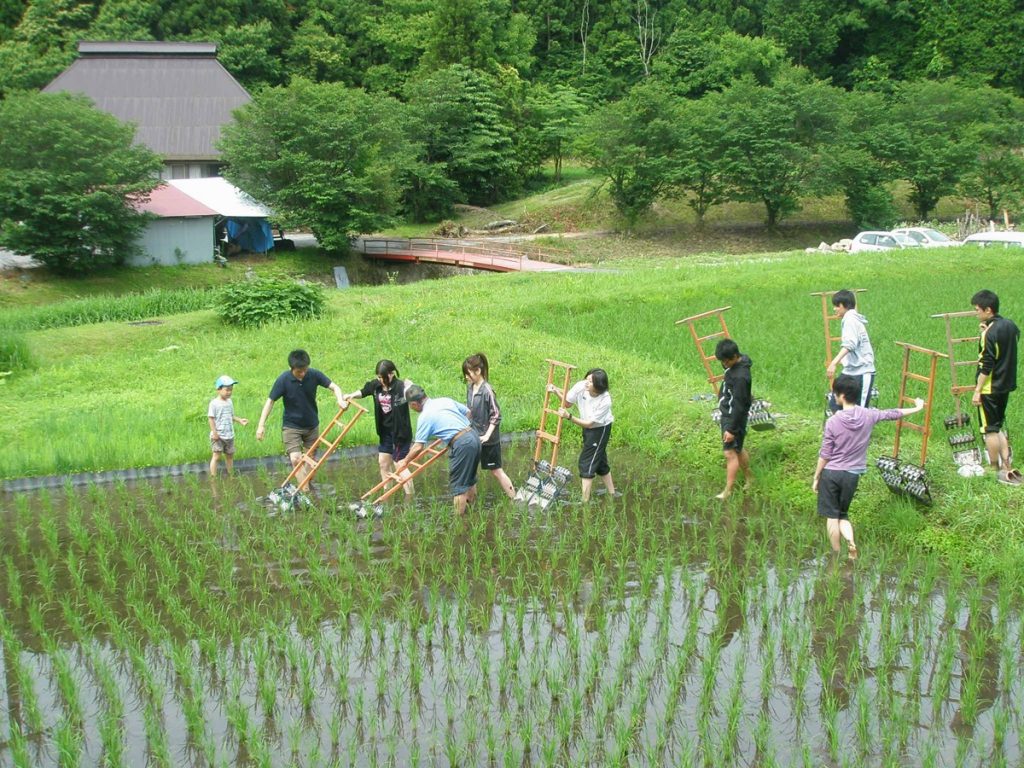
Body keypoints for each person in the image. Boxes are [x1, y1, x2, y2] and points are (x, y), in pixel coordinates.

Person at [813, 374, 925, 560]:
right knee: (843, 515)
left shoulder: (833, 421)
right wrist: (918, 407)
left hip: (832, 473)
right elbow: (893, 413)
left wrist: (817, 476)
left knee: (832, 518)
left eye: (835, 393)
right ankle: (850, 541)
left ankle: (835, 554)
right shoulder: (869, 415)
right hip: (852, 474)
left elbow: (825, 454)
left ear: (841, 396)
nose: (834, 396)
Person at [255, 350, 349, 485]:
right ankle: (305, 493)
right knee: (296, 459)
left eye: (305, 370)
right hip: (291, 427)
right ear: (291, 368)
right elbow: (270, 401)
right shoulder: (283, 380)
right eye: (299, 371)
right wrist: (261, 425)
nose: (303, 374)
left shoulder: (314, 374)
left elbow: (334, 387)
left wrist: (340, 399)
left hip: (312, 425)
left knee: (311, 460)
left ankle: (305, 485)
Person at [398, 384, 481, 515]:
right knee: (469, 479)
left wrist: (405, 461)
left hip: (462, 443)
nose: (410, 408)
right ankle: (471, 514)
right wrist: (458, 428)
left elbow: (418, 446)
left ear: (414, 404)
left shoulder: (425, 416)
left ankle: (459, 524)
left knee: (459, 487)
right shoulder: (444, 400)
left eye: (410, 405)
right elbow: (468, 412)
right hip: (473, 435)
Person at [971, 289, 1021, 485]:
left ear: (988, 310)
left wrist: (977, 390)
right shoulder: (1010, 326)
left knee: (990, 429)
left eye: (977, 310)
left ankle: (993, 467)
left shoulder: (988, 333)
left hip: (990, 388)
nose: (976, 313)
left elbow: (987, 364)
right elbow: (1012, 340)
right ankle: (1007, 465)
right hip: (1006, 385)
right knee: (998, 424)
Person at [345, 360, 415, 498]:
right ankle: (386, 492)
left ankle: (410, 497)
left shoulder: (400, 387)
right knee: (383, 462)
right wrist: (351, 395)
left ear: (391, 374)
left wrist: (412, 386)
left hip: (401, 432)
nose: (381, 380)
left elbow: (416, 395)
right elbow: (364, 391)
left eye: (383, 377)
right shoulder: (376, 386)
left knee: (400, 464)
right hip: (385, 431)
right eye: (379, 377)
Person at [463, 353, 516, 500]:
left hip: (488, 440)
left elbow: (496, 415)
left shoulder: (487, 391)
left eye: (468, 373)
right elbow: (470, 410)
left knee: (496, 470)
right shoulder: (470, 388)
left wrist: (487, 435)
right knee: (470, 471)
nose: (466, 377)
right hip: (474, 436)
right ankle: (471, 503)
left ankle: (514, 498)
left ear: (478, 371)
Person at [559, 368, 615, 502]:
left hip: (599, 429)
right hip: (587, 427)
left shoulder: (605, 400)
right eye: (587, 379)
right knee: (600, 461)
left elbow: (590, 424)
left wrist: (569, 417)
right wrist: (556, 391)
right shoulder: (580, 386)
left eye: (590, 382)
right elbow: (567, 402)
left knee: (587, 462)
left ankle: (584, 501)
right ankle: (612, 494)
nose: (586, 383)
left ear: (598, 386)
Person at [714, 339, 754, 500]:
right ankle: (749, 477)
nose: (724, 364)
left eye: (725, 361)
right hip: (731, 416)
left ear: (734, 356)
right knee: (738, 449)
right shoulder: (738, 366)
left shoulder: (740, 377)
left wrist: (731, 429)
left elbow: (738, 405)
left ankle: (728, 491)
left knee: (729, 452)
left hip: (733, 418)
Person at [826, 290, 875, 412]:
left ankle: (857, 431)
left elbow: (850, 345)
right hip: (850, 371)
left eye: (837, 306)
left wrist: (833, 363)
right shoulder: (850, 319)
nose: (834, 309)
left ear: (845, 305)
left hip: (862, 372)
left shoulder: (851, 320)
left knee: (858, 411)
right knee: (836, 404)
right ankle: (841, 430)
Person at [208, 375, 248, 477]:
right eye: (227, 390)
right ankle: (213, 476)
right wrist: (215, 433)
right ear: (218, 389)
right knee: (216, 456)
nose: (229, 392)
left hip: (229, 434)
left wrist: (239, 420)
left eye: (231, 390)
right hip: (218, 435)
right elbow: (211, 419)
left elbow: (230, 416)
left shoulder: (229, 402)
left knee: (230, 456)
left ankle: (231, 474)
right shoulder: (214, 403)